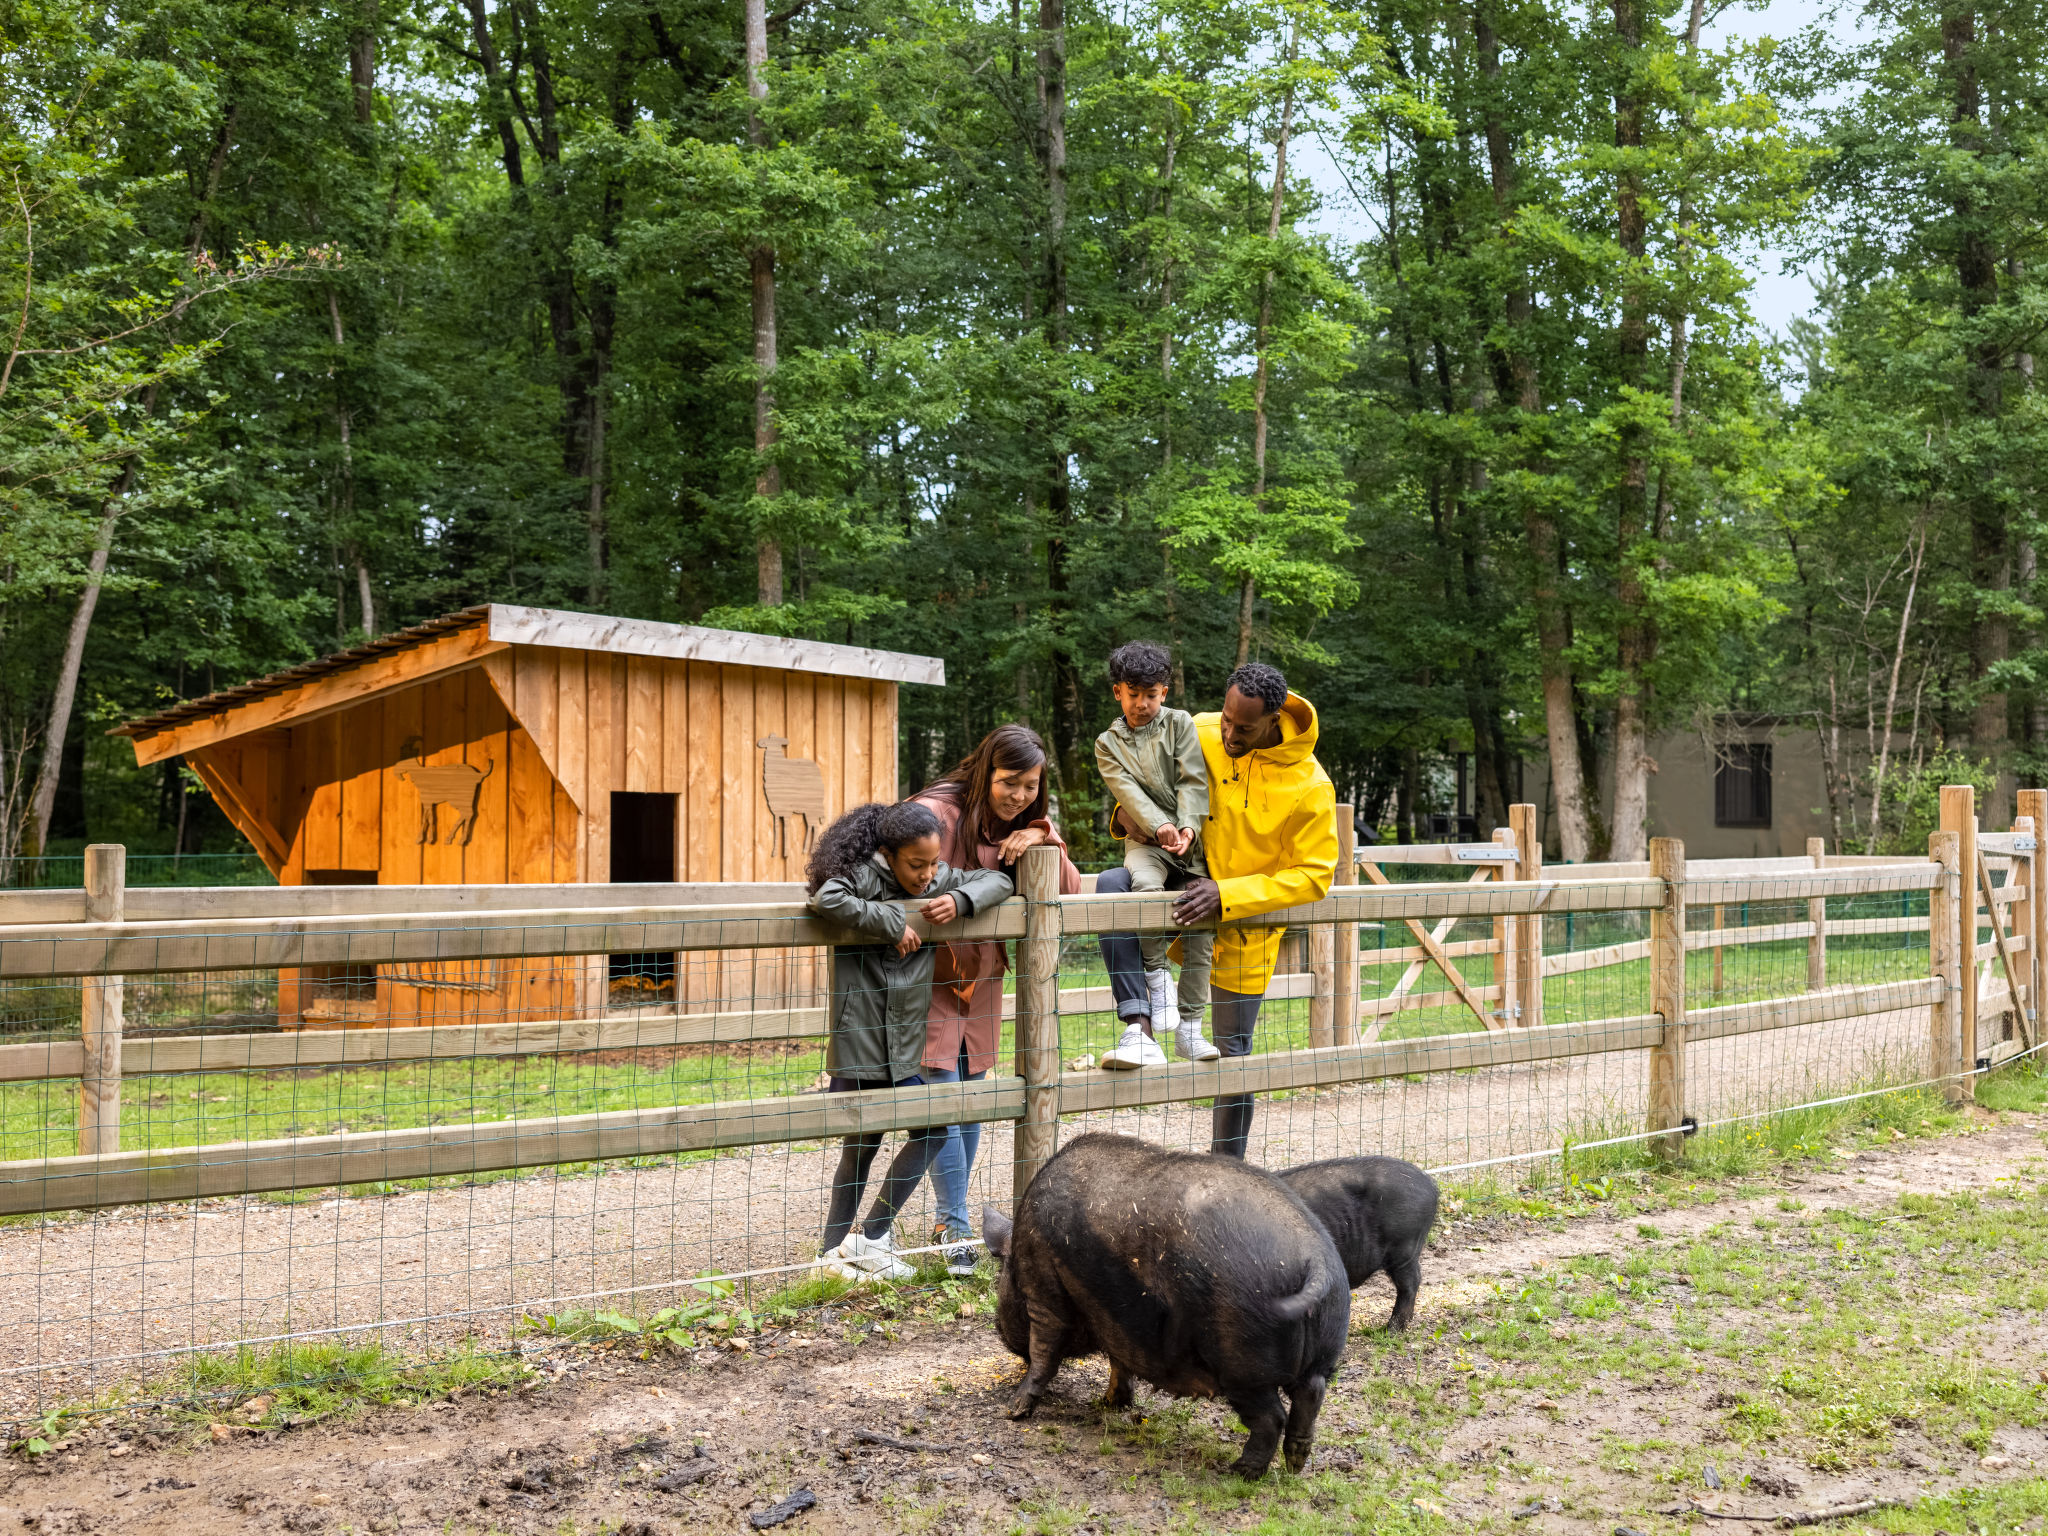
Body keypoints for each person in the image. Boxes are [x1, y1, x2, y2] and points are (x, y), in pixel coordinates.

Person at [1094, 660, 1337, 1156]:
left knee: (1232, 1058)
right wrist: (1128, 820)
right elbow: (1143, 785)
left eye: (1242, 727)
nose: (1227, 732)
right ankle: (1139, 1024)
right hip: (1179, 900)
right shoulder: (1196, 730)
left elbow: (1314, 876)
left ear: (1274, 720)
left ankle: (1228, 1168)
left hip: (1243, 934)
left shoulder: (1312, 786)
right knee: (1113, 887)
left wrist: (1227, 896)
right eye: (1225, 718)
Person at [806, 800, 1014, 1279]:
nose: (926, 875)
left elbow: (999, 880)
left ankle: (869, 1237)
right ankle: (830, 1255)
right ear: (887, 855)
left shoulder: (938, 880)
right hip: (861, 1044)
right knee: (861, 1147)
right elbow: (827, 900)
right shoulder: (861, 878)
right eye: (915, 864)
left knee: (935, 1130)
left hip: (904, 1048)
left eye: (934, 863)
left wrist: (960, 901)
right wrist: (891, 921)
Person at [910, 724, 1082, 1272]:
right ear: (986, 771)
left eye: (1031, 785)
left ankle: (950, 1219)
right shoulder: (936, 813)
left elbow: (1070, 890)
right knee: (940, 1092)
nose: (1019, 795)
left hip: (982, 974)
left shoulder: (1026, 823)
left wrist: (1044, 839)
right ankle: (953, 1223)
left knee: (974, 1091)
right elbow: (901, 875)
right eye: (1010, 782)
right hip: (928, 971)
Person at [1092, 641, 1220, 1069]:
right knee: (1144, 890)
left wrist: (1186, 826)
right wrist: (1159, 827)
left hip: (1190, 844)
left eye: (1152, 694)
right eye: (1134, 694)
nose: (1142, 703)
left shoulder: (1180, 724)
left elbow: (1193, 779)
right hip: (1145, 843)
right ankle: (1156, 975)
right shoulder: (1107, 743)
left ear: (1164, 692)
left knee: (1202, 919)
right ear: (1118, 692)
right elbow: (1126, 792)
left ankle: (1190, 1027)